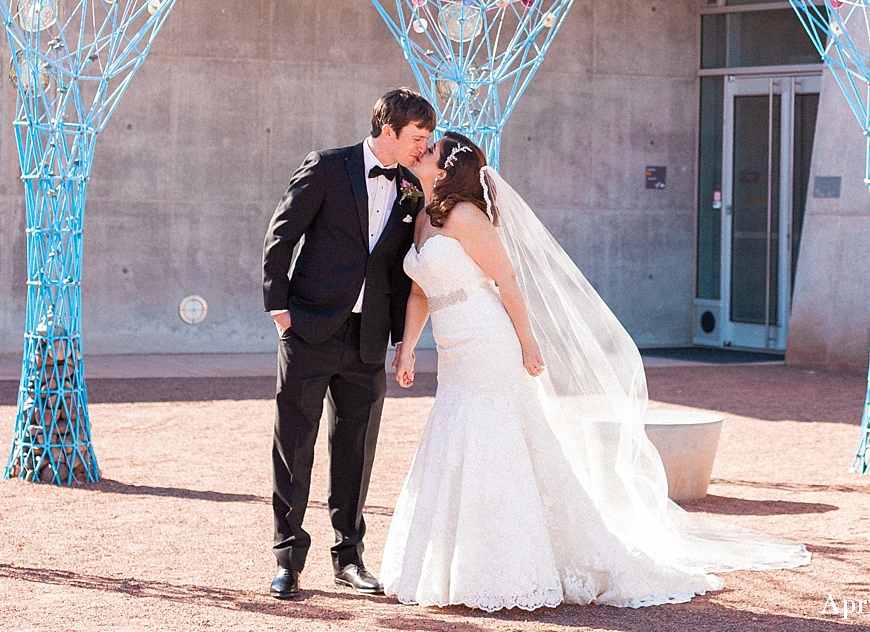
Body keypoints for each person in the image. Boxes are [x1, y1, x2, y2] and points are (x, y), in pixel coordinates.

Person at [382, 133, 811, 611]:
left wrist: (527, 342)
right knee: (456, 437)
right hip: (453, 352)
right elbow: (421, 290)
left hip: (488, 342)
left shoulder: (465, 216)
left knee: (493, 441)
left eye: (431, 150)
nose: (420, 152)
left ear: (445, 170)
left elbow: (506, 279)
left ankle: (508, 564)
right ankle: (453, 563)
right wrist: (407, 349)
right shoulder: (423, 217)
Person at [261, 88, 436, 600]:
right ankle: (288, 560)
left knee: (355, 450)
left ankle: (349, 559)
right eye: (417, 138)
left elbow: (405, 273)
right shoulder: (326, 166)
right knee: (294, 444)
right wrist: (279, 308)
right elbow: (281, 234)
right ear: (388, 130)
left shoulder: (412, 189)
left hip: (368, 339)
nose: (423, 148)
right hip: (309, 329)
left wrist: (403, 341)